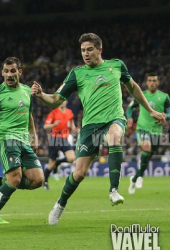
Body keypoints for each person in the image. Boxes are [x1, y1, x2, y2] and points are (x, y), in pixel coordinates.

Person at [31, 33, 166, 226]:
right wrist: (41, 94)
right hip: (90, 126)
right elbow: (55, 100)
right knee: (79, 174)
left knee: (113, 136)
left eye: (89, 49)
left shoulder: (117, 66)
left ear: (99, 49)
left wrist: (151, 110)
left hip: (114, 118)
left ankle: (113, 190)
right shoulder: (77, 74)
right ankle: (60, 204)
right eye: (83, 50)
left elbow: (133, 87)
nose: (85, 54)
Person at [0, 57, 44, 224]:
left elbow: (29, 116)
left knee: (38, 180)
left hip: (24, 141)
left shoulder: (27, 91)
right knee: (15, 178)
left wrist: (34, 137)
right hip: (7, 139)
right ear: (2, 72)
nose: (9, 74)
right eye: (6, 71)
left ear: (19, 72)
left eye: (13, 71)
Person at [126, 72, 170, 194]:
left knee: (148, 156)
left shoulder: (164, 97)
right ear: (146, 82)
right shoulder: (141, 95)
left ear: (158, 82)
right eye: (149, 80)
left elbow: (169, 111)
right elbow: (130, 108)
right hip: (142, 127)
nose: (152, 83)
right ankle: (139, 177)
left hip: (157, 130)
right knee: (147, 148)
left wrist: (166, 115)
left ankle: (135, 178)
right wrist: (129, 118)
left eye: (154, 80)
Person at [43, 100, 78, 190]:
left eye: (64, 101)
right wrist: (54, 124)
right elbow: (45, 126)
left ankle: (58, 162)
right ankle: (45, 182)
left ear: (66, 101)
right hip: (54, 139)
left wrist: (75, 129)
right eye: (61, 101)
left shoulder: (69, 112)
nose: (62, 102)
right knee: (51, 164)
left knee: (71, 158)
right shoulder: (54, 113)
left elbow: (72, 125)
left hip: (64, 139)